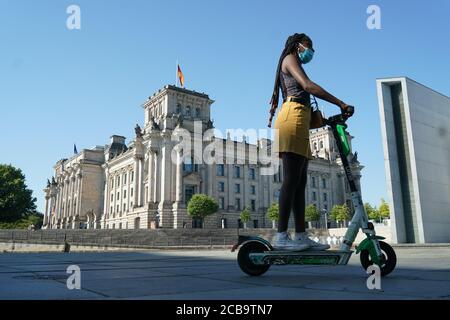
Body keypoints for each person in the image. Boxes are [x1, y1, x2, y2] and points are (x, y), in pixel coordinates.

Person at [268, 33, 354, 251]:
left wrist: (326, 119)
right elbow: (307, 85)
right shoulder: (290, 58)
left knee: (300, 183)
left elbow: (304, 97)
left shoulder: (293, 59)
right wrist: (340, 103)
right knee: (290, 180)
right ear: (299, 46)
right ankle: (280, 236)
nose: (311, 51)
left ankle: (300, 236)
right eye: (309, 46)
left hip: (301, 120)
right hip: (292, 119)